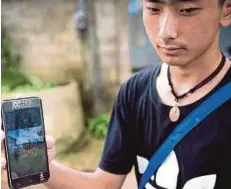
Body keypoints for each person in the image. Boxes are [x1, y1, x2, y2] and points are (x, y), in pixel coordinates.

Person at [2, 0, 231, 188]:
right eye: (153, 9)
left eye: (187, 10)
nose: (166, 32)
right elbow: (105, 184)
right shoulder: (135, 91)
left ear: (226, 10)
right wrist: (45, 167)